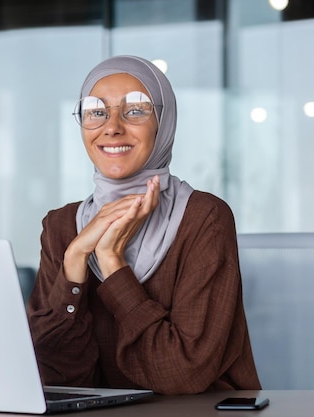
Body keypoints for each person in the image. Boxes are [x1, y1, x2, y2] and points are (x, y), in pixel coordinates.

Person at [26, 55, 261, 395]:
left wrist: (111, 261)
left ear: (164, 123)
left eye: (135, 110)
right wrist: (75, 259)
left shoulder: (204, 218)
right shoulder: (61, 227)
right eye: (96, 111)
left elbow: (181, 376)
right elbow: (54, 378)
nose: (112, 126)